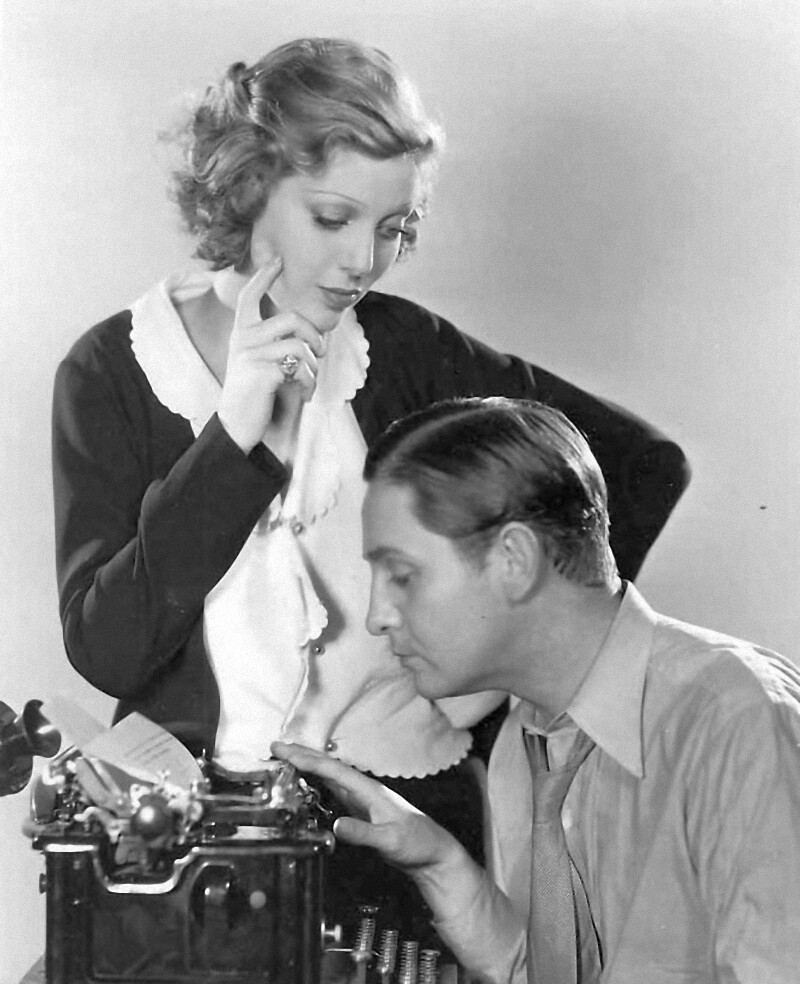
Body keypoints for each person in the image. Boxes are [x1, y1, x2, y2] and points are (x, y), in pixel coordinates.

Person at [51, 38, 687, 937]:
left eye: (392, 228)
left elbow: (641, 466)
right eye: (333, 217)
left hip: (411, 829)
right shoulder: (111, 372)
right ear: (248, 188)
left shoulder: (408, 352)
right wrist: (234, 437)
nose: (363, 260)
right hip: (194, 849)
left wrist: (489, 681)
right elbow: (108, 652)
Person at [275, 396, 800, 983]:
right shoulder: (524, 741)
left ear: (515, 560)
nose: (377, 617)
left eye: (402, 575)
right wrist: (447, 870)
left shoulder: (736, 720)